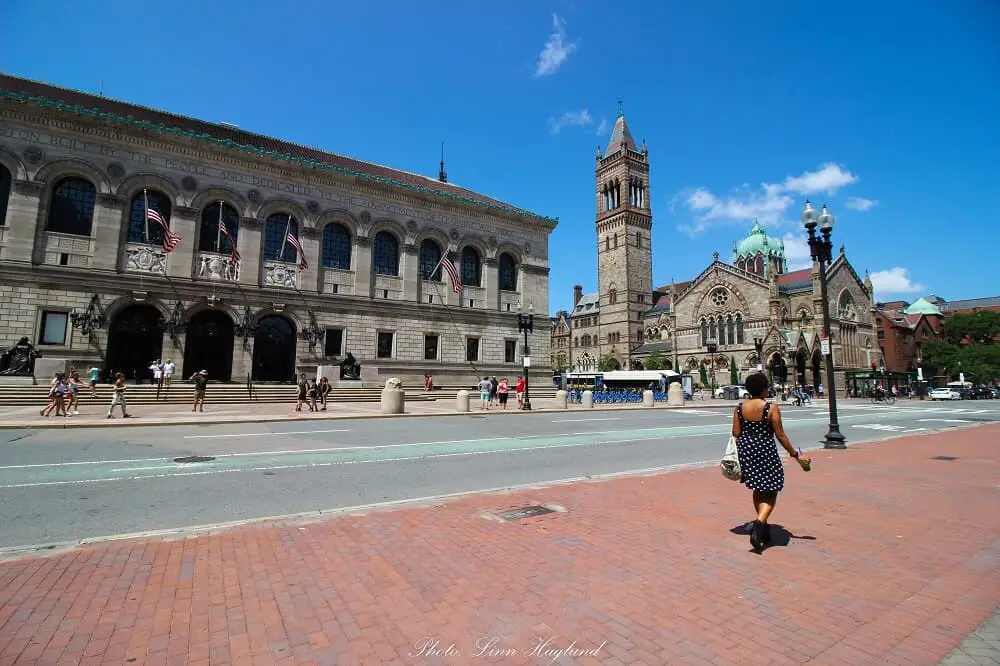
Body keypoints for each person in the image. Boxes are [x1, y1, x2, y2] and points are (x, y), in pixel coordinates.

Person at [731, 372, 811, 552]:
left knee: (757, 488)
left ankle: (763, 526)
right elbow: (780, 434)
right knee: (772, 487)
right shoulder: (771, 408)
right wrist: (795, 454)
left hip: (747, 451)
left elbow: (736, 433)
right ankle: (760, 523)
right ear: (764, 388)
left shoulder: (739, 408)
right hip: (766, 451)